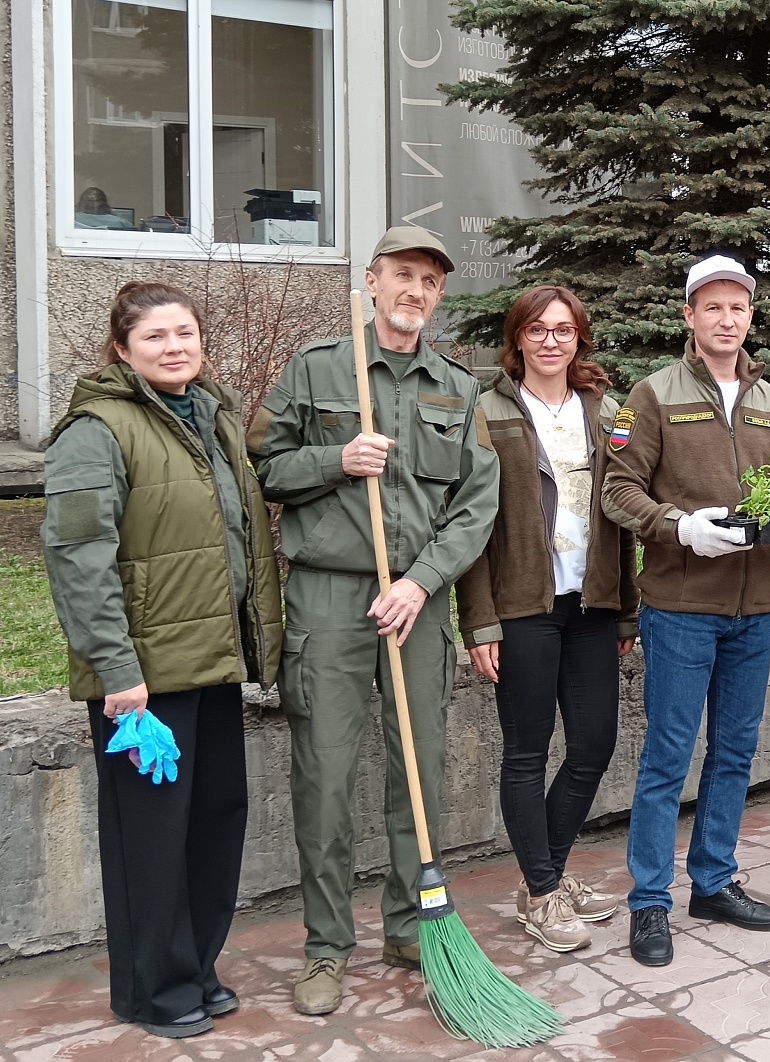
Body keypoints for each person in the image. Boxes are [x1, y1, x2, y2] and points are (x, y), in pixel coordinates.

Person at [250, 226, 501, 1016]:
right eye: (402, 276)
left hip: (415, 606)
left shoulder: (456, 390)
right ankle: (326, 946)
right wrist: (336, 460)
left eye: (429, 281)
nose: (414, 292)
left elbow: (476, 504)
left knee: (418, 773)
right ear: (371, 280)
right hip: (328, 598)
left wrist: (424, 582)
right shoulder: (318, 368)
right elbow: (263, 467)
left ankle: (408, 923)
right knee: (323, 774)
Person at [41, 281, 283, 1038]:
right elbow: (79, 556)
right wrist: (117, 671)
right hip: (145, 680)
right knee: (150, 837)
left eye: (185, 333)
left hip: (212, 658)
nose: (175, 346)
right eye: (155, 337)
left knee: (216, 820)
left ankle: (196, 967)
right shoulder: (97, 429)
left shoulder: (209, 417)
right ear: (122, 349)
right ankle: (155, 989)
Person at [602, 254, 770, 966]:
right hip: (682, 606)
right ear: (688, 316)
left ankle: (714, 880)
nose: (727, 319)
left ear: (751, 316)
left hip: (753, 608)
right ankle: (650, 902)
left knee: (735, 752)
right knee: (667, 757)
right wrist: (678, 525)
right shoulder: (651, 395)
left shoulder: (769, 400)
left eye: (738, 308)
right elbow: (618, 490)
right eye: (712, 307)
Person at [455, 285, 638, 952]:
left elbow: (622, 512)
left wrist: (625, 612)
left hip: (591, 606)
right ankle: (540, 890)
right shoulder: (489, 410)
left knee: (593, 745)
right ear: (519, 339)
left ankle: (548, 877)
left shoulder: (608, 410)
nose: (551, 340)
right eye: (538, 329)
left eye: (564, 329)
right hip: (522, 608)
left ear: (579, 338)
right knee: (527, 753)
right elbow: (468, 521)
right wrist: (479, 621)